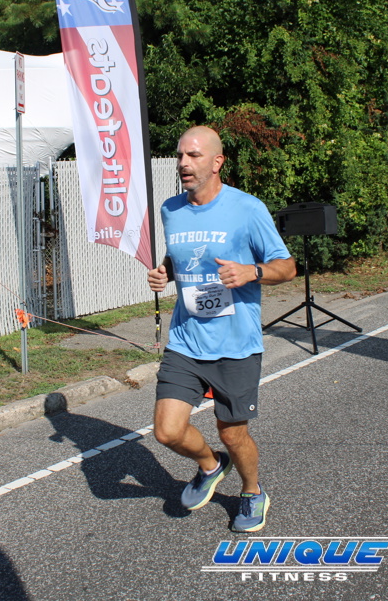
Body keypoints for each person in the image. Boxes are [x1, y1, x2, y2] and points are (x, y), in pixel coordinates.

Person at [147, 125, 296, 532]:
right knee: (167, 431)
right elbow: (179, 257)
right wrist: (165, 272)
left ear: (217, 162)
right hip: (186, 340)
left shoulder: (247, 208)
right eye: (180, 155)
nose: (183, 163)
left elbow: (287, 266)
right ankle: (210, 465)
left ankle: (252, 491)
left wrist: (252, 271)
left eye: (193, 155)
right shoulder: (171, 210)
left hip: (235, 344)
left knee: (233, 434)